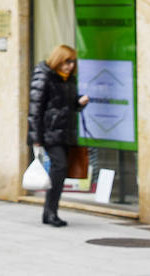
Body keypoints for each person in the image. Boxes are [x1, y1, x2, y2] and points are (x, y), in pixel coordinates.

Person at [28, 44, 90, 227]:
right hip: (48, 132)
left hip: (65, 132)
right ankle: (50, 211)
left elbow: (67, 105)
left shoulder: (69, 79)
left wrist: (79, 103)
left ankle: (50, 211)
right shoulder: (44, 76)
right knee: (60, 167)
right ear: (58, 60)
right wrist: (36, 138)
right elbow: (35, 109)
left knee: (60, 171)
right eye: (67, 61)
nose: (70, 66)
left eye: (73, 62)